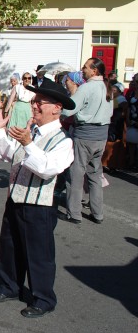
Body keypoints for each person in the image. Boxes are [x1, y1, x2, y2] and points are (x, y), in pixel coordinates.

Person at [0, 79, 75, 318]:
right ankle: (10, 286)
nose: (34, 106)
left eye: (39, 103)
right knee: (10, 246)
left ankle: (43, 298)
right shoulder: (30, 130)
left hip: (40, 205)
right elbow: (7, 153)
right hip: (16, 197)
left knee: (39, 253)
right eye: (34, 101)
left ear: (56, 108)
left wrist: (28, 143)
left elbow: (46, 168)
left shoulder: (63, 141)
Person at [60, 58, 113, 224]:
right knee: (95, 174)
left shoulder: (87, 87)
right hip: (101, 136)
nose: (83, 69)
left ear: (94, 71)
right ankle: (98, 214)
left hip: (85, 135)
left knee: (76, 174)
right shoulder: (106, 86)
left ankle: (74, 213)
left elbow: (69, 110)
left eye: (85, 67)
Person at [101, 83, 128, 172]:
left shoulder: (121, 100)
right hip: (113, 124)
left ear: (119, 92)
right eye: (112, 90)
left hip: (117, 125)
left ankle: (112, 164)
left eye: (115, 90)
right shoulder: (114, 99)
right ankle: (106, 163)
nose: (112, 91)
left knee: (113, 145)